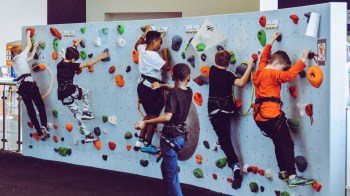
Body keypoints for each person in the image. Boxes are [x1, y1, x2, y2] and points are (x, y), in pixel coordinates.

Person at [252, 32, 315, 188]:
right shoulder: (273, 73)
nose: (281, 71)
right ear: (276, 64)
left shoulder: (260, 71)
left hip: (260, 118)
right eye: (281, 67)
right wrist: (303, 59)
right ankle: (293, 176)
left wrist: (271, 40)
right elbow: (288, 75)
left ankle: (283, 172)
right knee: (287, 144)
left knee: (278, 142)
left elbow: (264, 57)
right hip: (271, 116)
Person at [135, 63, 192, 196]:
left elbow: (167, 117)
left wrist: (146, 122)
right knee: (165, 166)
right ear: (189, 78)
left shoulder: (173, 95)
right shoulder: (188, 92)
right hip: (181, 138)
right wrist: (161, 85)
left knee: (172, 177)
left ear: (172, 76)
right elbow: (175, 88)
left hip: (170, 138)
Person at [208, 50, 253, 189]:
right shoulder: (229, 75)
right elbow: (241, 83)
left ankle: (234, 166)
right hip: (227, 110)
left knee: (224, 137)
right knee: (224, 136)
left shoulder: (212, 70)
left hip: (214, 110)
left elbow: (220, 62)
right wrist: (250, 67)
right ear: (228, 63)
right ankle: (233, 163)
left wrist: (225, 55)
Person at [57, 39, 108, 140]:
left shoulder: (60, 63)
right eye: (74, 59)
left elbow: (70, 53)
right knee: (86, 91)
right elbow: (88, 64)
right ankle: (86, 111)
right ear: (72, 60)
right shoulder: (72, 65)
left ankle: (87, 135)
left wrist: (75, 45)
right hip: (70, 90)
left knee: (76, 113)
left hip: (62, 94)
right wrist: (101, 57)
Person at [134, 25, 170, 154]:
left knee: (148, 114)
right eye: (160, 42)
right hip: (151, 88)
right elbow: (166, 67)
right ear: (154, 42)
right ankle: (147, 143)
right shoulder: (153, 55)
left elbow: (136, 44)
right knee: (154, 116)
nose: (160, 45)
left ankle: (139, 140)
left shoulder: (142, 48)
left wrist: (145, 33)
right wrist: (165, 54)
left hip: (142, 86)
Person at [11, 29, 49, 140]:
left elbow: (31, 58)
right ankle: (44, 127)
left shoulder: (16, 61)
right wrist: (28, 34)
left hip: (22, 87)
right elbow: (29, 45)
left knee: (31, 109)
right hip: (29, 84)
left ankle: (39, 131)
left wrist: (35, 47)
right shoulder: (20, 56)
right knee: (40, 106)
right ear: (18, 52)